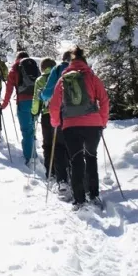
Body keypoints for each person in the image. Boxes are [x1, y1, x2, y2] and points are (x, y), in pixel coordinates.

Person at [48, 46, 111, 209]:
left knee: (76, 161)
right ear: (84, 61)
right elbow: (104, 100)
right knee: (91, 157)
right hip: (93, 125)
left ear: (71, 62)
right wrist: (102, 121)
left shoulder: (63, 79)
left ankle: (80, 200)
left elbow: (54, 105)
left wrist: (56, 123)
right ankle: (94, 195)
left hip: (71, 126)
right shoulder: (92, 77)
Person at [1, 49, 41, 166]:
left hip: (23, 102)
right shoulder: (34, 67)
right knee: (32, 127)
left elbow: (9, 91)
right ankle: (33, 153)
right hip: (37, 102)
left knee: (26, 130)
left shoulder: (15, 69)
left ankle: (31, 158)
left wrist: (3, 105)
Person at [40, 49, 74, 183]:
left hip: (62, 113)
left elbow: (48, 93)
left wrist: (41, 96)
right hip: (82, 115)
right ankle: (77, 176)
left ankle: (62, 181)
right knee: (76, 147)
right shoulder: (84, 69)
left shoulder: (58, 69)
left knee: (59, 146)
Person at [30, 57, 57, 176]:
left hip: (47, 114)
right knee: (60, 143)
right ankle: (64, 171)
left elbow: (36, 99)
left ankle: (50, 172)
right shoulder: (60, 77)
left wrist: (34, 112)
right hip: (61, 114)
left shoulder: (40, 80)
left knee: (48, 144)